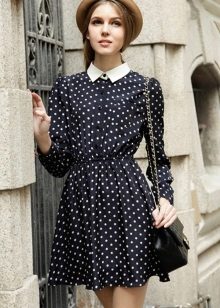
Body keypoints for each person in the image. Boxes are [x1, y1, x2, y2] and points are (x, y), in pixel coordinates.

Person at [32, 1, 177, 307]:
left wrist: (165, 200)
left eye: (116, 23)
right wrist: (43, 135)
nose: (106, 30)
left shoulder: (145, 88)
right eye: (98, 22)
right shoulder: (67, 88)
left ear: (127, 32)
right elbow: (60, 165)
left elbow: (157, 158)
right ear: (87, 31)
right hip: (84, 208)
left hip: (130, 206)